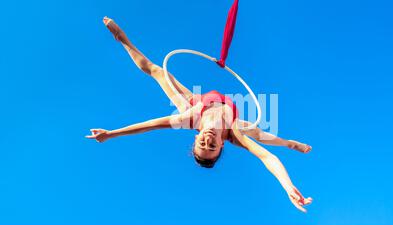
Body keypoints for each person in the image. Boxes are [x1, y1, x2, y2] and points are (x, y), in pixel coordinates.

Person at [86, 17, 313, 212]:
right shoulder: (233, 133)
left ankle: (122, 39)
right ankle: (291, 143)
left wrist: (111, 134)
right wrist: (288, 187)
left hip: (198, 104)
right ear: (221, 145)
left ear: (195, 138)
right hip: (230, 116)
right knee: (262, 136)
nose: (208, 140)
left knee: (154, 70)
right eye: (212, 146)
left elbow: (149, 125)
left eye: (202, 143)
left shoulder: (189, 119)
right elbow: (266, 157)